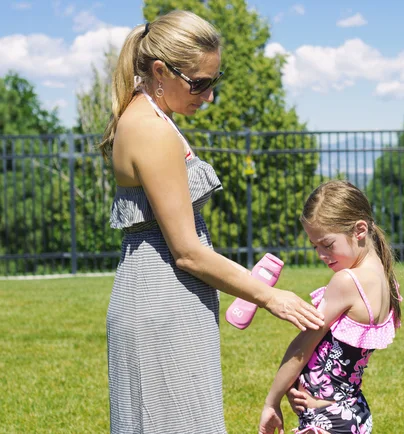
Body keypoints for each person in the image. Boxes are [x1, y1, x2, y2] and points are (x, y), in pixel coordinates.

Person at [101, 10, 324, 434]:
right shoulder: (152, 129)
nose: (209, 96)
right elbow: (187, 253)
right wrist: (269, 297)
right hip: (161, 306)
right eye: (199, 83)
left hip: (156, 302)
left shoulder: (143, 115)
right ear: (161, 71)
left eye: (213, 82)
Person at [258, 180, 403, 434]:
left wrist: (272, 400)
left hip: (327, 420)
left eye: (327, 244)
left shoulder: (348, 281)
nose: (321, 254)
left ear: (359, 230)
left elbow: (303, 346)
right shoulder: (385, 277)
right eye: (315, 246)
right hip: (351, 412)